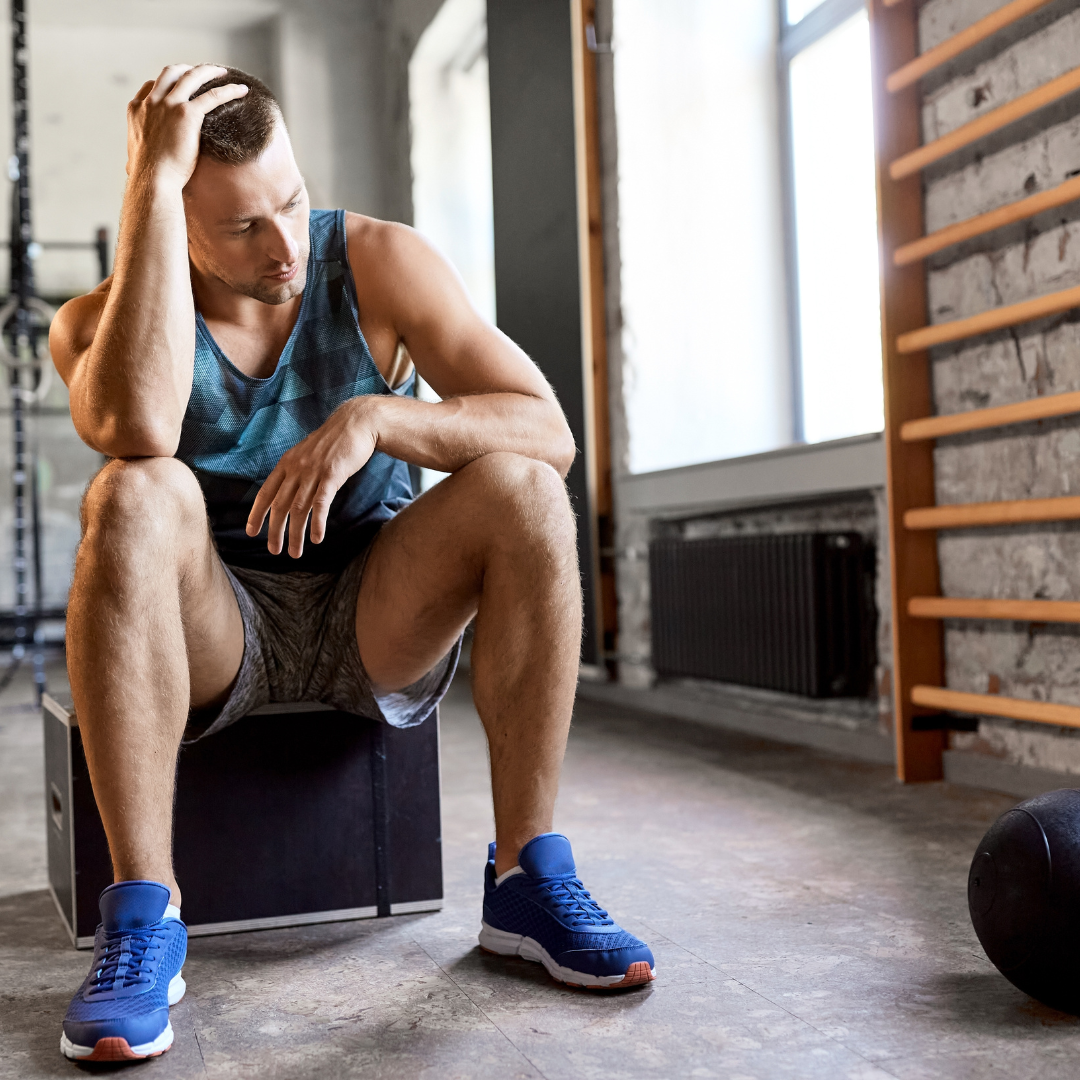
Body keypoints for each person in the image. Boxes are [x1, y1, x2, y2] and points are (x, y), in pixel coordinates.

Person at [49, 65, 655, 1063]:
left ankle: (525, 881)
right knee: (131, 490)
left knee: (525, 489)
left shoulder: (376, 261)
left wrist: (378, 417)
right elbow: (135, 425)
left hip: (377, 608)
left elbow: (546, 430)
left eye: (290, 201)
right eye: (242, 225)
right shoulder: (97, 323)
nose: (284, 245)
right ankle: (144, 921)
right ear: (172, 214)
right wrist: (149, 184)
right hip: (218, 629)